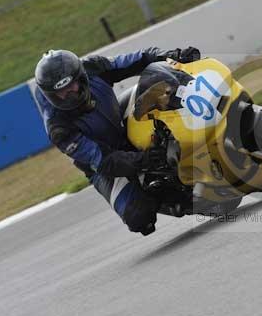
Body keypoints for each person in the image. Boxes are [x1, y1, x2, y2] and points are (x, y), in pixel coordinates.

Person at [34, 47, 200, 236]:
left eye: (70, 85)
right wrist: (144, 161)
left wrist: (169, 55)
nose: (69, 93)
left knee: (160, 87)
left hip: (119, 119)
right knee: (140, 218)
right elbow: (104, 161)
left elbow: (135, 59)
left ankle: (199, 126)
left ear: (80, 76)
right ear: (50, 95)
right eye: (61, 92)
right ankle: (169, 196)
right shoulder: (59, 129)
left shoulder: (92, 67)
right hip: (102, 166)